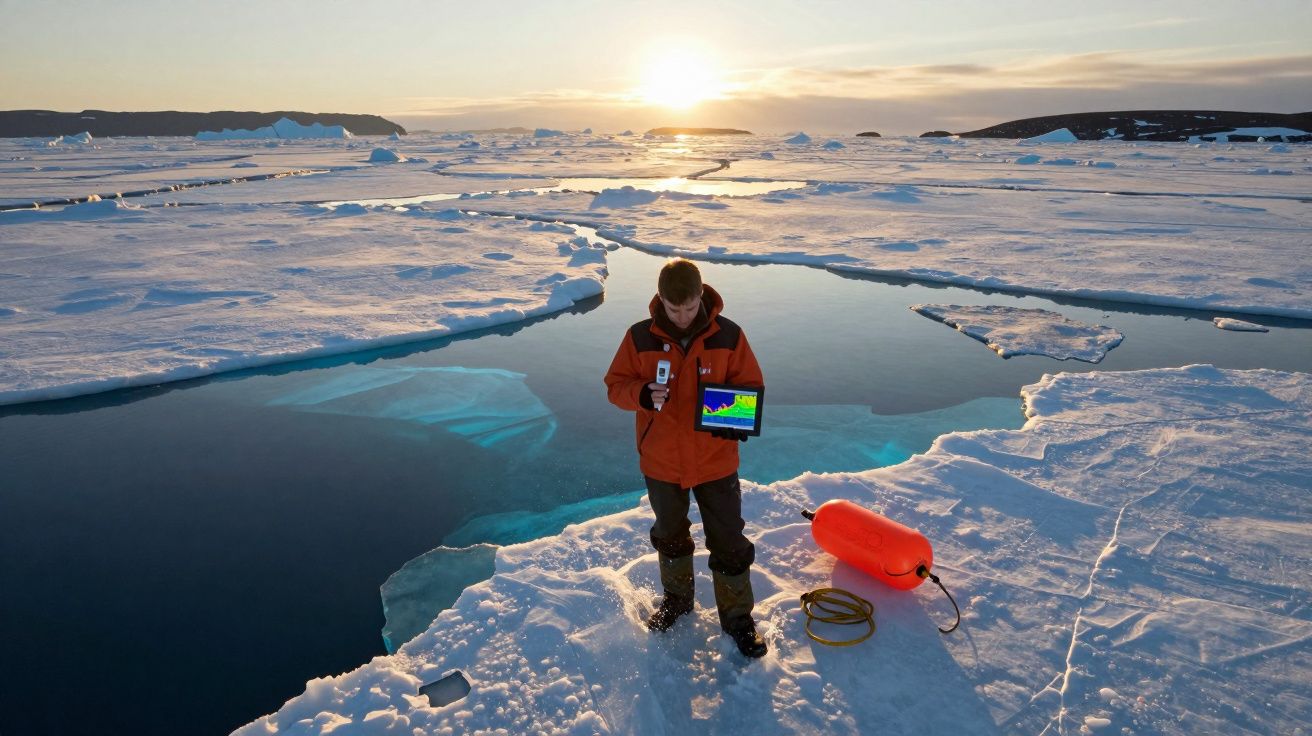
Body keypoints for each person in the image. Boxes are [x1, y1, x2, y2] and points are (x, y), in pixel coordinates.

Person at [604, 258, 768, 659]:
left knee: (728, 540)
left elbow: (750, 384)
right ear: (660, 299)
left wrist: (736, 416)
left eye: (690, 308)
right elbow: (615, 386)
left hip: (715, 461)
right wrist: (641, 394)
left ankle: (738, 620)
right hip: (661, 461)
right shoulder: (639, 337)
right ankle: (677, 601)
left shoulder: (729, 335)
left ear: (701, 296)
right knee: (670, 534)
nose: (682, 317)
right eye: (673, 309)